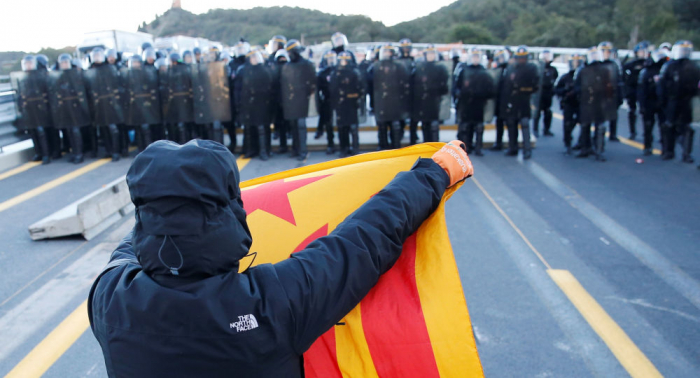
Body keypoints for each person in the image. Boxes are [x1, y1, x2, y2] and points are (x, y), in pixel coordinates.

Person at [88, 138, 473, 378]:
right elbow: (365, 238)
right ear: (230, 214)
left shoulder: (109, 299)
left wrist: (160, 213)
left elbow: (134, 243)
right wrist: (433, 174)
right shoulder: (275, 301)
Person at [658, 40, 700, 163]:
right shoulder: (669, 66)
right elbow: (662, 85)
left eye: (687, 50)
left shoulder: (694, 66)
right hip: (672, 100)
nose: (685, 53)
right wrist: (662, 101)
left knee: (687, 127)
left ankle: (686, 154)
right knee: (669, 125)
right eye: (682, 50)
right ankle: (668, 151)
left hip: (687, 101)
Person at [574, 46, 617, 162]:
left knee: (600, 127)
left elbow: (611, 86)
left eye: (596, 55)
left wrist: (609, 99)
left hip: (600, 101)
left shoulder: (605, 70)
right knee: (585, 126)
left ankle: (599, 150)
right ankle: (585, 148)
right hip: (586, 101)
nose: (594, 58)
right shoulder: (582, 70)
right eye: (592, 55)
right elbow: (576, 86)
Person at [499, 45, 539, 159]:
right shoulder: (511, 68)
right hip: (512, 101)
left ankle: (527, 150)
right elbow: (506, 87)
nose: (522, 60)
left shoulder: (532, 68)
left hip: (524, 101)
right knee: (512, 125)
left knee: (525, 126)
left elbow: (535, 86)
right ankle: (513, 148)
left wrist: (521, 89)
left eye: (524, 57)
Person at [234, 50, 274, 160]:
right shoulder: (243, 71)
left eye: (255, 57)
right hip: (247, 104)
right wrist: (238, 102)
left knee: (262, 128)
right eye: (252, 58)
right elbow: (238, 88)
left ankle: (264, 150)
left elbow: (270, 88)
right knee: (248, 129)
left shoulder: (265, 70)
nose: (254, 59)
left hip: (262, 104)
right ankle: (250, 150)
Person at [454, 48, 495, 155]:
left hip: (479, 103)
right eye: (474, 57)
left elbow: (490, 88)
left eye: (477, 57)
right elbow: (457, 86)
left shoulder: (484, 71)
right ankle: (466, 147)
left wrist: (485, 95)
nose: (475, 59)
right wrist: (459, 95)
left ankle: (478, 147)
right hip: (466, 103)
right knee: (465, 127)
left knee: (479, 127)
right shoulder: (464, 70)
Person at [280, 39, 316, 160]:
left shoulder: (306, 64)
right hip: (291, 100)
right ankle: (295, 149)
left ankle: (303, 150)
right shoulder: (287, 66)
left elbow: (313, 82)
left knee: (300, 125)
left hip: (302, 99)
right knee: (293, 126)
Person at [14, 55, 53, 164]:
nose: (28, 65)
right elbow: (20, 94)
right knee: (33, 131)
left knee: (41, 131)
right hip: (29, 109)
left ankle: (46, 154)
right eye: (26, 64)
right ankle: (38, 153)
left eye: (30, 63)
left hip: (40, 108)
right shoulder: (23, 78)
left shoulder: (41, 76)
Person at [86, 47, 122, 161]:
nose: (97, 58)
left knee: (113, 128)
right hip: (98, 104)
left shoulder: (110, 68)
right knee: (103, 129)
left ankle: (116, 151)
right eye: (95, 56)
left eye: (98, 56)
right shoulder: (90, 71)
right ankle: (108, 150)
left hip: (111, 103)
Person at [411, 45, 450, 144]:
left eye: (432, 53)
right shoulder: (419, 68)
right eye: (429, 54)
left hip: (435, 99)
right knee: (425, 124)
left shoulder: (440, 68)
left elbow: (445, 85)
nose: (431, 56)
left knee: (434, 124)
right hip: (423, 100)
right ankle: (426, 145)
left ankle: (435, 145)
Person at [330, 51, 364, 157]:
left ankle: (355, 148)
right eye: (341, 60)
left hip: (351, 104)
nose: (343, 62)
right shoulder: (335, 73)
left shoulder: (355, 72)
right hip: (340, 105)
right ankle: (343, 148)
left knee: (353, 128)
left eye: (345, 60)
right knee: (342, 128)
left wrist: (358, 100)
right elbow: (332, 89)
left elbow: (361, 89)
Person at [637, 48, 667, 156]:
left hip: (662, 102)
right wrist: (641, 105)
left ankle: (665, 148)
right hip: (649, 101)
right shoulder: (646, 71)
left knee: (664, 126)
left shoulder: (666, 68)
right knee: (648, 125)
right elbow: (641, 91)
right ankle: (647, 146)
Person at [554, 54, 584, 155]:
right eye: (574, 62)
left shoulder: (584, 77)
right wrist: (565, 90)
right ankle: (567, 143)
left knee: (583, 123)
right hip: (568, 103)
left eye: (578, 63)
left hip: (581, 103)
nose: (576, 65)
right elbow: (556, 90)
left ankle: (581, 143)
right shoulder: (565, 77)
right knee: (567, 124)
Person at [622, 41, 650, 140]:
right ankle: (632, 132)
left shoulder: (649, 64)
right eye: (640, 51)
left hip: (646, 92)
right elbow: (625, 78)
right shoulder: (631, 64)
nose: (642, 53)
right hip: (633, 91)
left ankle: (647, 133)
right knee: (632, 111)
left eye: (644, 51)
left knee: (646, 112)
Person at [598, 41, 624, 142]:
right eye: (604, 51)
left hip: (612, 93)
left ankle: (613, 134)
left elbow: (619, 81)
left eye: (609, 51)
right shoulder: (596, 64)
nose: (607, 53)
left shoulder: (615, 65)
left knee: (613, 115)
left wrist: (620, 96)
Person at [532, 49, 558, 137]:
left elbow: (554, 79)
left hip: (548, 93)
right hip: (539, 93)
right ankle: (535, 129)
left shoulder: (553, 69)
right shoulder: (538, 68)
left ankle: (547, 129)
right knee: (537, 112)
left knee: (548, 112)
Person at [315, 51, 337, 152]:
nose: (331, 61)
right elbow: (318, 89)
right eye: (329, 59)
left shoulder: (339, 71)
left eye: (333, 58)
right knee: (328, 123)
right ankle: (330, 143)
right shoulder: (322, 74)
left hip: (338, 100)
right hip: (327, 100)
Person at [489, 49, 510, 151]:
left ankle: (512, 145)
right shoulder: (497, 70)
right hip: (498, 101)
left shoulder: (510, 69)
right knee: (499, 122)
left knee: (510, 124)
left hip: (508, 101)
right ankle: (498, 143)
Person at [271, 49, 291, 154]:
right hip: (279, 102)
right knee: (281, 126)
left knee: (291, 125)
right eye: (280, 58)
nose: (282, 60)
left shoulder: (290, 69)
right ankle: (283, 146)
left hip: (289, 101)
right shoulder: (274, 70)